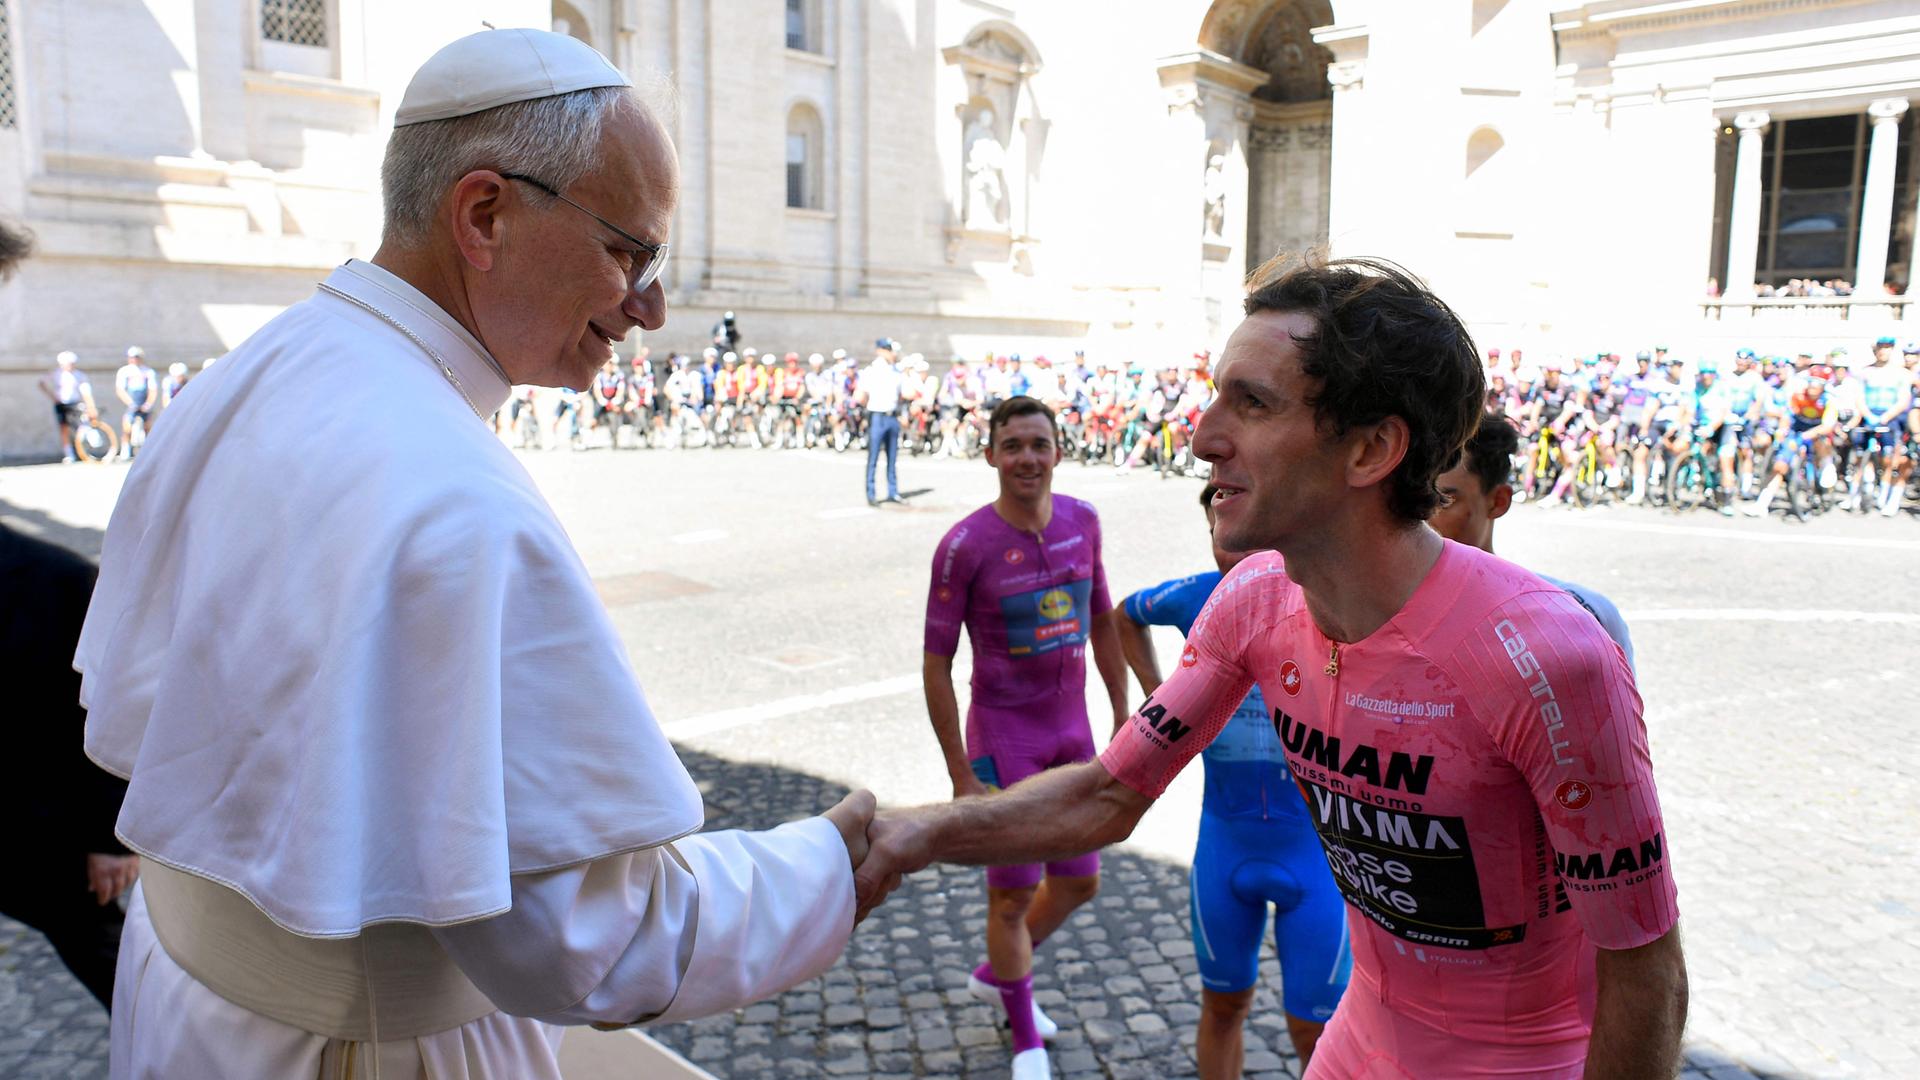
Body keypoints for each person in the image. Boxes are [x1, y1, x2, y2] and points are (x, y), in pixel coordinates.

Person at [76, 29, 872, 1078]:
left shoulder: (247, 373)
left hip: (184, 1006)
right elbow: (595, 939)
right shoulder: (462, 501)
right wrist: (838, 861)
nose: (650, 307)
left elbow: (136, 719)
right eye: (629, 251)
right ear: (484, 214)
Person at [859, 254, 1687, 1080]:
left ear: (1370, 450)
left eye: (1250, 403)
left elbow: (1647, 968)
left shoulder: (1553, 658)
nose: (1201, 436)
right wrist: (919, 830)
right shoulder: (1255, 597)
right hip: (1357, 1046)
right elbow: (1109, 795)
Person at [923, 396, 1128, 1080]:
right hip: (1003, 736)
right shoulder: (964, 545)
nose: (1027, 459)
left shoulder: (1083, 522)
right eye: (1012, 446)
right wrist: (960, 772)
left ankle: (999, 975)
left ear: (1059, 451)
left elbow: (1103, 621)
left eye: (1039, 444)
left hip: (1070, 729)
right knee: (1009, 895)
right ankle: (1023, 1038)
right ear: (990, 456)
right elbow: (935, 662)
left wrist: (1123, 718)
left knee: (1079, 881)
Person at [1116, 484, 1349, 1076]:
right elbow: (1125, 615)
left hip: (1316, 859)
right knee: (1223, 1006)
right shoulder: (1197, 598)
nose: (1234, 555)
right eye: (1222, 539)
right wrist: (1156, 697)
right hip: (1225, 849)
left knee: (1315, 1031)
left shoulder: (1324, 603)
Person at [1, 523, 139, 1012]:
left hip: (40, 830)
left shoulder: (55, 578)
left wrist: (110, 838)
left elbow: (112, 704)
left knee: (112, 965)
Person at [1432, 415, 1636, 670]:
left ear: (1498, 501)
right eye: (1409, 498)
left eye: (1443, 502)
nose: (1420, 518)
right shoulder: (1375, 615)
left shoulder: (1582, 619)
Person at [860, 338, 905, 505]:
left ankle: (893, 492)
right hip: (877, 415)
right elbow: (861, 395)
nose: (891, 352)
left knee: (892, 457)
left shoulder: (896, 371)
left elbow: (901, 394)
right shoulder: (872, 370)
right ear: (879, 350)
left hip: (892, 415)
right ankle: (871, 494)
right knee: (873, 457)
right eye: (887, 349)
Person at [38, 349, 99, 463]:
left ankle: (84, 446)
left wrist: (91, 406)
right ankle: (69, 453)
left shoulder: (79, 375)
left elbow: (86, 392)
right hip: (61, 404)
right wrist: (53, 397)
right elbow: (42, 383)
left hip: (75, 403)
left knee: (82, 424)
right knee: (64, 428)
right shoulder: (56, 373)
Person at [113, 347, 160, 459]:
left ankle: (148, 451)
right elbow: (120, 390)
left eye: (137, 357)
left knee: (148, 426)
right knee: (127, 427)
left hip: (143, 400)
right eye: (132, 357)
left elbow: (152, 390)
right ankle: (125, 449)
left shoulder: (148, 371)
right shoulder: (124, 371)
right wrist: (130, 403)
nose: (134, 359)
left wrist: (148, 404)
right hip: (132, 400)